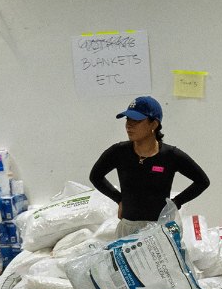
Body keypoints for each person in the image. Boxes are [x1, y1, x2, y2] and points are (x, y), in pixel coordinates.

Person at [89, 95, 210, 236]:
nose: (129, 125)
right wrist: (119, 199)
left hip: (160, 231)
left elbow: (202, 181)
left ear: (154, 124)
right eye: (128, 119)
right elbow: (95, 176)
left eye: (136, 120)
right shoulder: (119, 152)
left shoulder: (170, 155)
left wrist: (176, 203)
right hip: (128, 230)